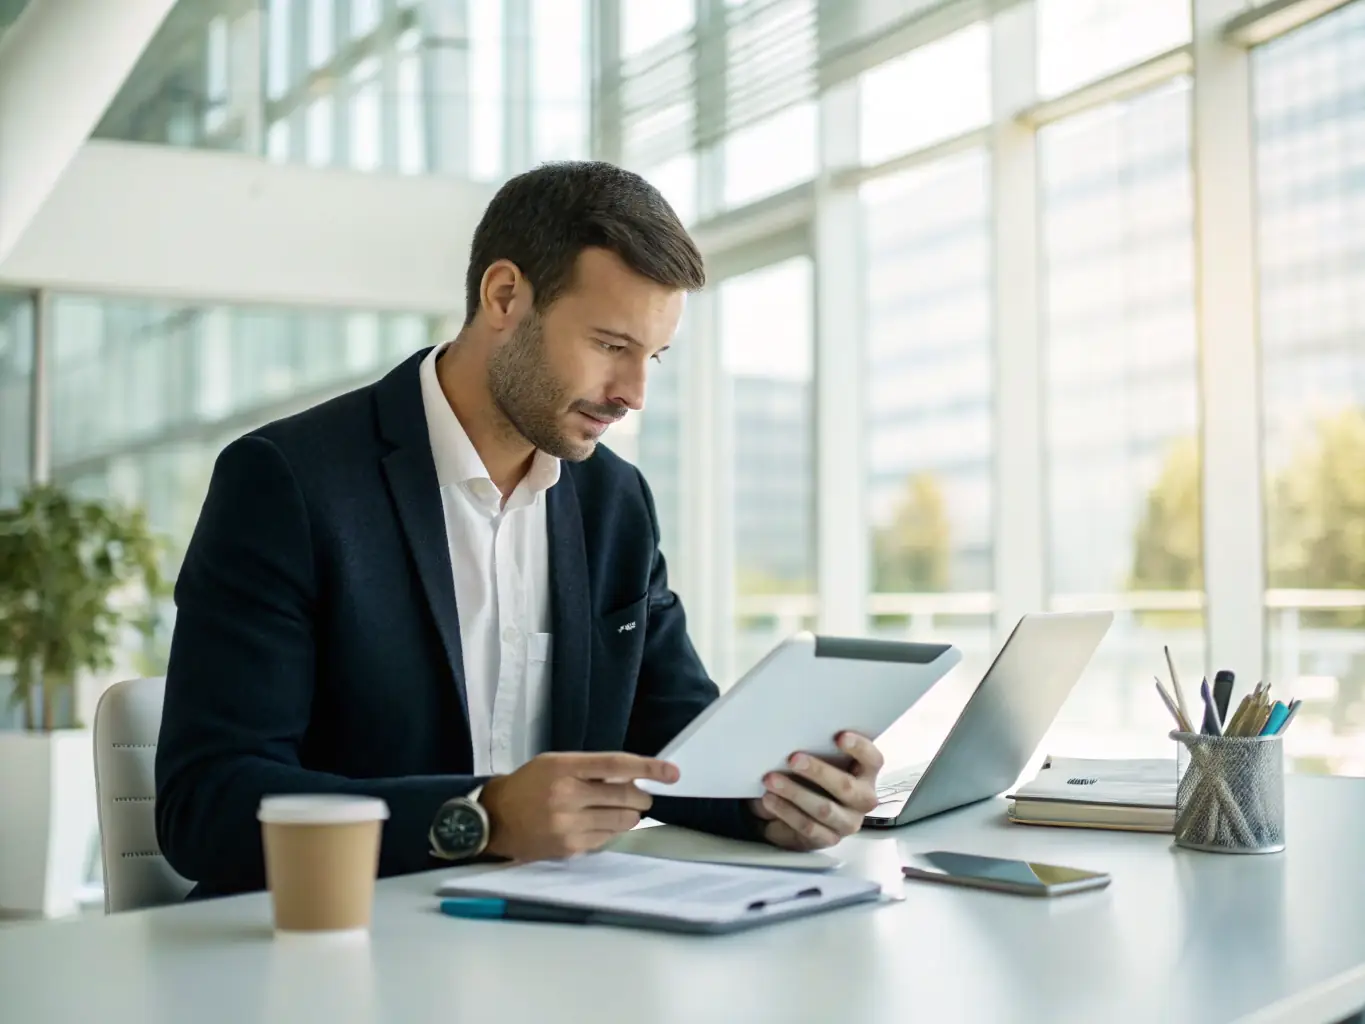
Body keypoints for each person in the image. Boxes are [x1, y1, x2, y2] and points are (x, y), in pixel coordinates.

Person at [155, 161, 884, 899]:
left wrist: (780, 801)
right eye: (609, 345)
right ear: (503, 296)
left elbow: (676, 747)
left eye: (652, 357)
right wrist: (483, 817)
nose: (633, 393)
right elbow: (207, 804)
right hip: (339, 942)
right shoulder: (287, 481)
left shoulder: (613, 501)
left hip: (550, 945)